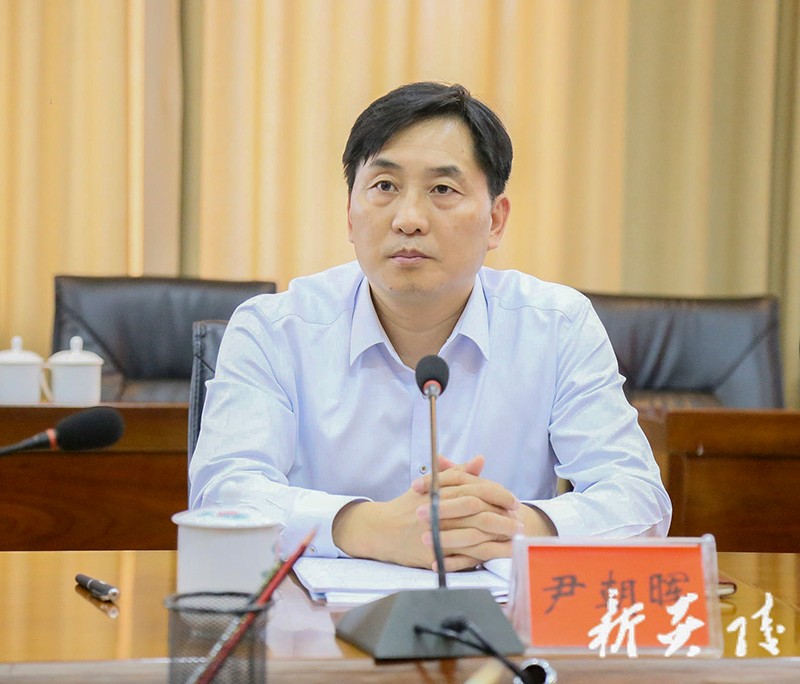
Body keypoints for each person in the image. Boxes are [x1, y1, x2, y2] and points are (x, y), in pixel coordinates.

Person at [189, 82, 672, 572]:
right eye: (384, 186)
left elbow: (638, 497)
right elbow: (222, 494)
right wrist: (365, 526)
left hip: (499, 615)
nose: (409, 219)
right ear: (350, 215)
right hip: (317, 617)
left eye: (442, 190)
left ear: (495, 221)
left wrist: (514, 526)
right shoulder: (273, 331)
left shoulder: (558, 327)